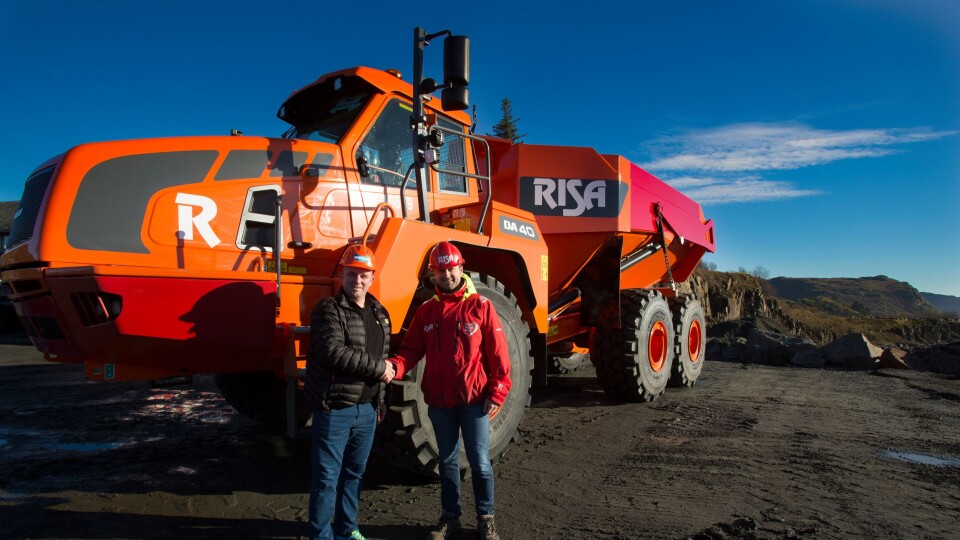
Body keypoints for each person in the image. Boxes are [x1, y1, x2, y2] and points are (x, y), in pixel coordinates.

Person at [385, 241, 511, 540]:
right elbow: (410, 351)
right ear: (434, 274)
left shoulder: (480, 306)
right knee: (448, 461)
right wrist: (393, 367)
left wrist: (498, 391)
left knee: (480, 462)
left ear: (460, 268)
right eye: (441, 270)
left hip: (473, 401)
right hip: (440, 404)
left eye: (451, 269)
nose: (447, 275)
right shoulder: (427, 311)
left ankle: (486, 517)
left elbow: (499, 355)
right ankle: (450, 518)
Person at [305, 244, 396, 540]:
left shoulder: (380, 314)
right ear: (343, 275)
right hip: (335, 408)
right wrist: (379, 368)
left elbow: (383, 353)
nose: (356, 280)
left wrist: (380, 402)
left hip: (368, 411)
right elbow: (332, 352)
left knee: (354, 476)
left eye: (363, 275)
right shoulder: (328, 310)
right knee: (327, 477)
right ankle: (320, 535)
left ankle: (348, 529)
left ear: (372, 278)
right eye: (351, 274)